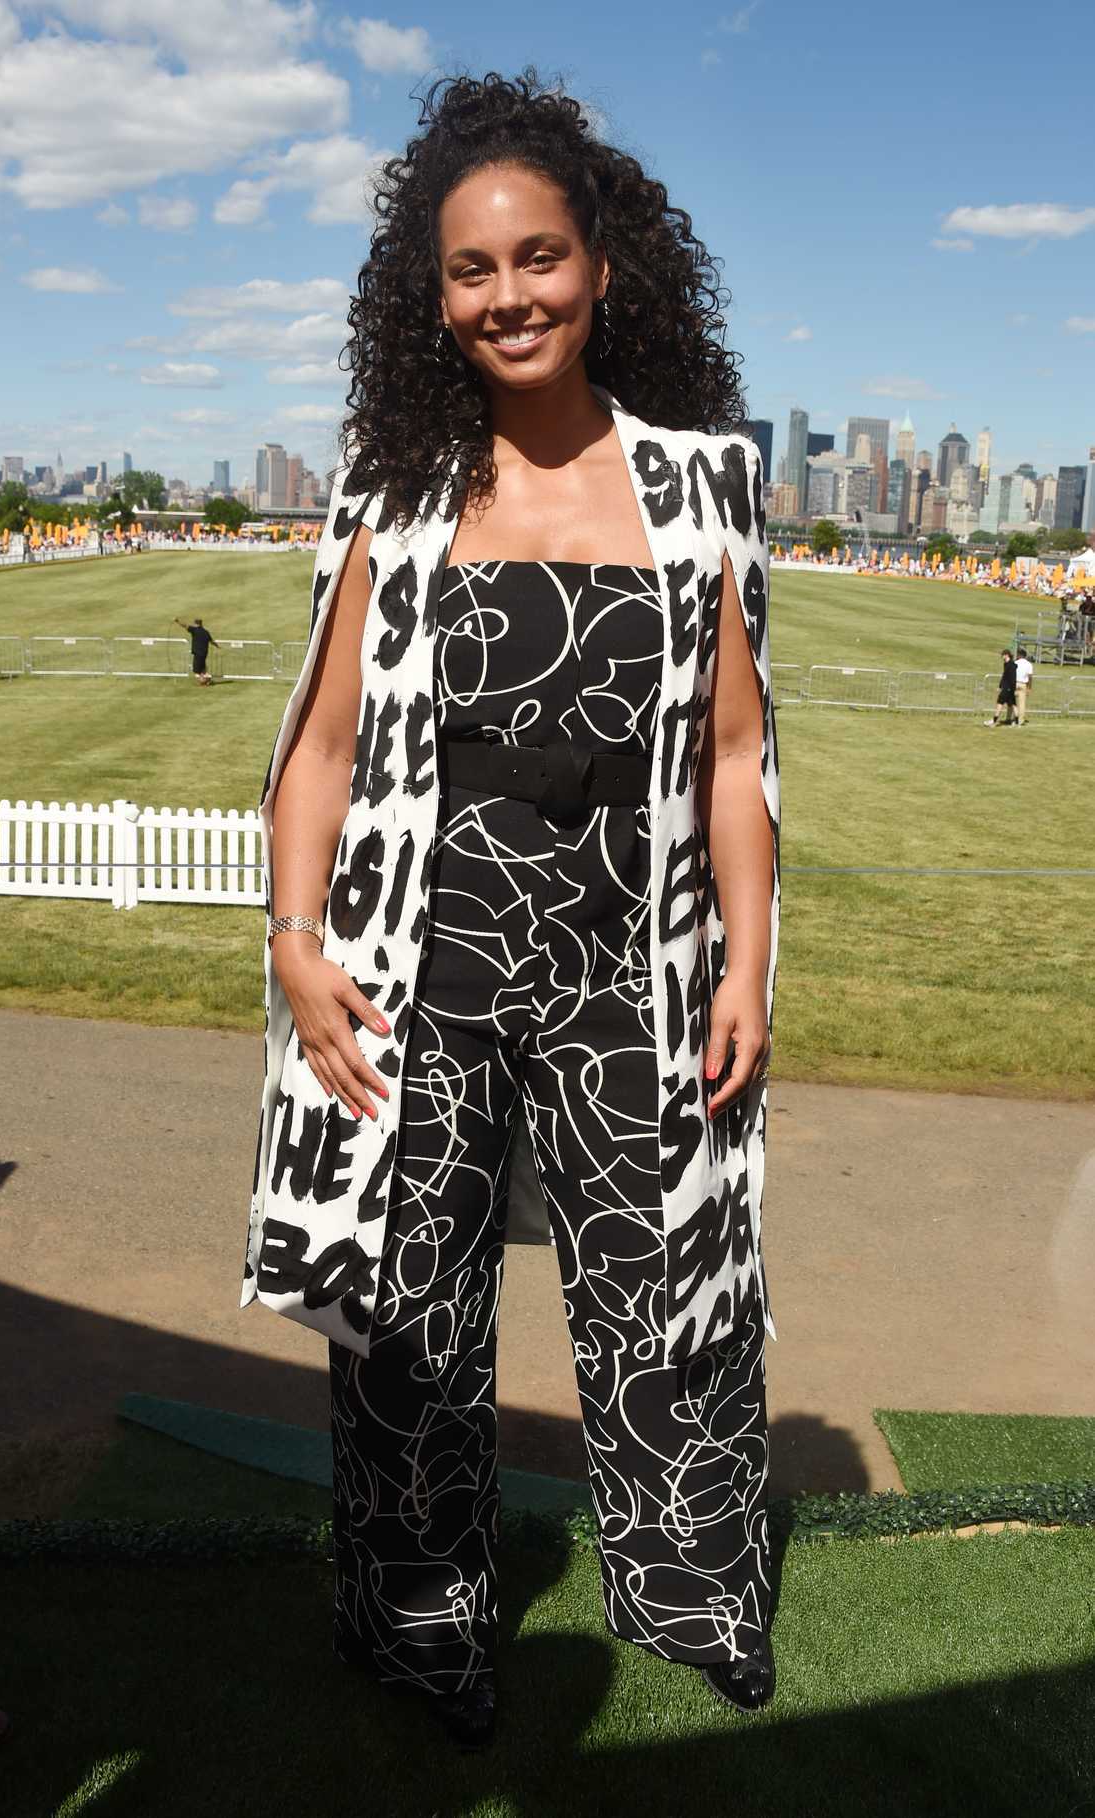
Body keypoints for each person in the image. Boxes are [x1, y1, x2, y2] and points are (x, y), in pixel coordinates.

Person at [242, 71, 781, 1747]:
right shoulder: (393, 485)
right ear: (436, 294)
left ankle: (692, 1594)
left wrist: (748, 964)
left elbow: (737, 754)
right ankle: (424, 1627)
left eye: (537, 257)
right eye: (471, 272)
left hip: (639, 958)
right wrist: (292, 938)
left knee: (672, 1288)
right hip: (422, 957)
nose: (507, 297)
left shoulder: (701, 484)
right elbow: (321, 744)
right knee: (410, 1316)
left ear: (602, 263)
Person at [174, 615, 217, 685]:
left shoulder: (194, 630)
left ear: (195, 623)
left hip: (197, 653)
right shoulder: (206, 632)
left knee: (196, 672)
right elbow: (212, 642)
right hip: (204, 653)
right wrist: (217, 646)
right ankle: (208, 680)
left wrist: (177, 621)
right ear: (201, 623)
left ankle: (205, 681)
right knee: (203, 669)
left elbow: (185, 625)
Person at [986, 648, 1017, 726]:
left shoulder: (1011, 665)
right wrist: (1000, 686)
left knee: (1000, 703)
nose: (1002, 657)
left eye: (1002, 655)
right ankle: (1016, 721)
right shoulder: (1005, 664)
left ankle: (994, 720)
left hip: (1008, 688)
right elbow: (1004, 676)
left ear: (1006, 655)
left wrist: (1011, 688)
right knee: (1013, 704)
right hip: (1006, 687)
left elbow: (1013, 678)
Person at [1014, 645, 1034, 726]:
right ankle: (1020, 720)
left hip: (1014, 683)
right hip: (1023, 684)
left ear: (1019, 655)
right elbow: (1030, 677)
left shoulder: (1015, 663)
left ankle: (1011, 718)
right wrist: (1029, 687)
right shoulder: (1029, 664)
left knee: (1012, 702)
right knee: (1022, 704)